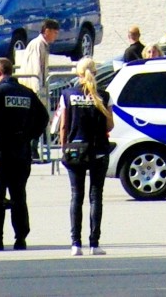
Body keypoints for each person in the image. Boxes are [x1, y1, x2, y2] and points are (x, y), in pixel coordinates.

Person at [0, 56, 45, 250]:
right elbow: (43, 118)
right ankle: (20, 238)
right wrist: (28, 136)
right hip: (21, 152)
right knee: (19, 196)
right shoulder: (27, 93)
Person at [58, 56, 113, 253]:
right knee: (96, 196)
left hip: (75, 151)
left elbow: (63, 126)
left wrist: (64, 146)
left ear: (78, 74)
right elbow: (110, 124)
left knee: (76, 196)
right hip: (98, 150)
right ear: (95, 72)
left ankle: (75, 243)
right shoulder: (104, 96)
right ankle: (95, 244)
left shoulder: (67, 95)